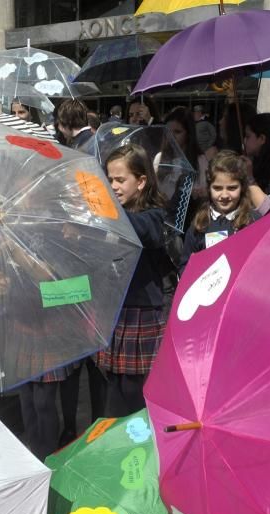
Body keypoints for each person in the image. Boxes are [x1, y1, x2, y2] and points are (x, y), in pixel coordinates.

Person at [98, 144, 168, 416]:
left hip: (143, 311)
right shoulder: (111, 215)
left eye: (120, 180)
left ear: (141, 181)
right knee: (113, 390)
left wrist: (102, 205)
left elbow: (140, 231)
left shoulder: (154, 215)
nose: (113, 186)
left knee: (136, 393)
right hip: (116, 310)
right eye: (109, 179)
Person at [180, 151, 255, 270]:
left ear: (242, 188)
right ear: (209, 188)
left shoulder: (253, 221)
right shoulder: (200, 224)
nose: (224, 195)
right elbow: (185, 266)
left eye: (232, 188)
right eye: (217, 188)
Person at [164, 106, 209, 199]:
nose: (172, 137)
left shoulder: (200, 160)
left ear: (188, 134)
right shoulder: (161, 157)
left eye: (177, 132)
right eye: (168, 132)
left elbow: (205, 190)